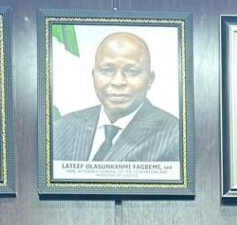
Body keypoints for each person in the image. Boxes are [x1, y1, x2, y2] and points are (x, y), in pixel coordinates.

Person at [53, 32, 180, 162]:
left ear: (150, 79)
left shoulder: (176, 136)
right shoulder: (63, 127)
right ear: (94, 76)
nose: (118, 82)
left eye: (132, 71)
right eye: (107, 70)